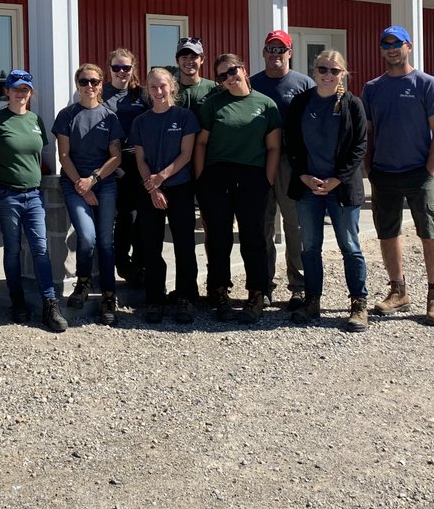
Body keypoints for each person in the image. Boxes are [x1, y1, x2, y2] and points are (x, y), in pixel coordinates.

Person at [361, 26, 434, 326]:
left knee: (429, 233)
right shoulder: (372, 88)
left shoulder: (427, 84)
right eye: (385, 44)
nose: (391, 49)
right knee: (388, 233)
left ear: (408, 47)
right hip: (383, 173)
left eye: (396, 44)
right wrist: (369, 167)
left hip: (418, 172)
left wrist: (429, 169)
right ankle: (398, 290)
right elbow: (369, 133)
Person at [284, 50, 370, 331]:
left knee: (350, 246)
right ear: (314, 70)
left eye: (334, 71)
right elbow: (292, 143)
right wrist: (304, 175)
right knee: (310, 247)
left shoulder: (351, 104)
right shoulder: (301, 102)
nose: (328, 75)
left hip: (341, 188)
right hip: (308, 187)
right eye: (323, 69)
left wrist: (337, 179)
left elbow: (359, 146)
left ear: (343, 74)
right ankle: (312, 300)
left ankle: (358, 302)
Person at [193, 54, 281, 323]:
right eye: (222, 76)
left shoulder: (265, 105)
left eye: (232, 71)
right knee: (219, 238)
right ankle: (219, 291)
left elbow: (274, 147)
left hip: (252, 176)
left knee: (253, 237)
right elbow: (201, 144)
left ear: (243, 69)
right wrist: (201, 179)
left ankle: (257, 293)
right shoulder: (213, 104)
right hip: (217, 176)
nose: (229, 78)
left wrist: (267, 180)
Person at [0, 69, 69, 333]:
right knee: (12, 248)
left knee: (40, 248)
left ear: (30, 93)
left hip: (34, 194)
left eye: (26, 89)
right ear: (7, 91)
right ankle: (16, 299)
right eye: (16, 88)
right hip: (6, 194)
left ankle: (49, 303)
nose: (21, 93)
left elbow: (39, 154)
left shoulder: (35, 120)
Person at [53, 64, 125, 325]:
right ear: (77, 84)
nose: (89, 86)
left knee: (106, 242)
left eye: (94, 81)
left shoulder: (110, 117)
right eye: (84, 82)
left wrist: (93, 180)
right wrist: (81, 185)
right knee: (86, 236)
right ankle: (83, 283)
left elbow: (116, 157)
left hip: (103, 183)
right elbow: (63, 155)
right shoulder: (67, 115)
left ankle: (109, 295)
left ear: (101, 83)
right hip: (73, 183)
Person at [250, 30, 314, 309]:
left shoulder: (304, 84)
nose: (275, 54)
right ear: (263, 53)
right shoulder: (251, 84)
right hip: (260, 162)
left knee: (294, 225)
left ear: (290, 53)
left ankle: (298, 286)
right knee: (262, 226)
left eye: (281, 49)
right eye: (270, 49)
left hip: (291, 163)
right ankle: (263, 285)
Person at [131, 67, 200, 324]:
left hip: (179, 187)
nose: (158, 92)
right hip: (150, 189)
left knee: (184, 244)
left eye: (162, 86)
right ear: (147, 91)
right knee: (151, 245)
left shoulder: (184, 117)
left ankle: (186, 296)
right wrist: (153, 187)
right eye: (153, 87)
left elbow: (186, 155)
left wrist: (161, 178)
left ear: (172, 86)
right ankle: (155, 298)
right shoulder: (141, 121)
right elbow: (140, 158)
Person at [102, 48, 148, 287]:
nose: (121, 72)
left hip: (139, 159)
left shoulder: (141, 94)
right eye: (116, 67)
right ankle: (123, 262)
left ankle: (140, 264)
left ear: (133, 69)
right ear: (109, 69)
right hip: (113, 161)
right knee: (126, 215)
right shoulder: (100, 93)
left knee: (143, 214)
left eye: (126, 67)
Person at [171, 37, 215, 119]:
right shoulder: (168, 88)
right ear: (177, 61)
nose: (189, 61)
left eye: (193, 57)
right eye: (184, 57)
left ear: (202, 60)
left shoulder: (213, 88)